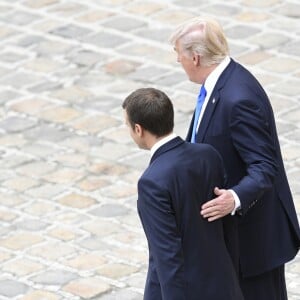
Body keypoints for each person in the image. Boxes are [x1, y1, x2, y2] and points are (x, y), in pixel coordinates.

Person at [169, 16, 300, 300]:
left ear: (194, 57)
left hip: (254, 244)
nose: (177, 61)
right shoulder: (216, 85)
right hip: (233, 242)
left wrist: (234, 198)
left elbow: (265, 167)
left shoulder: (239, 98)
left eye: (178, 55)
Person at [122, 87, 244, 300]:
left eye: (127, 125)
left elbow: (168, 256)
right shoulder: (208, 155)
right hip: (223, 283)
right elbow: (227, 228)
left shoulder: (152, 182)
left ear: (138, 129)